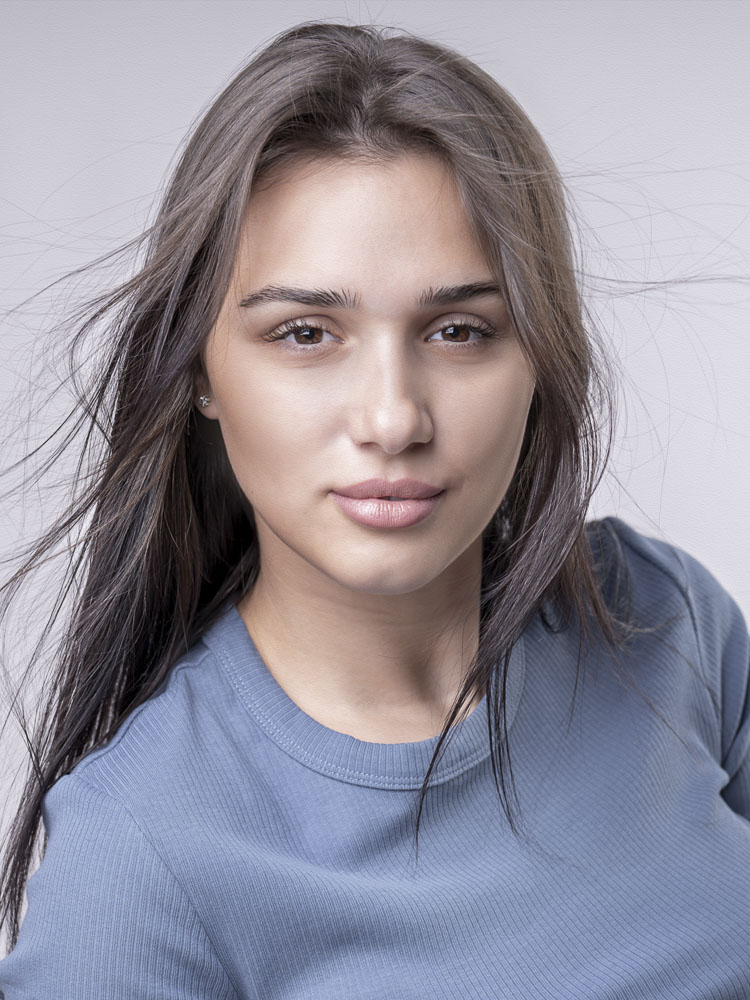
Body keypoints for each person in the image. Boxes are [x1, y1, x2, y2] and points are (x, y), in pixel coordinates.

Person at [0, 20, 748, 1000]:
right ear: (200, 372)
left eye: (459, 330)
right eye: (306, 333)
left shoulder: (664, 618)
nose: (393, 418)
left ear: (541, 357)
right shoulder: (137, 860)